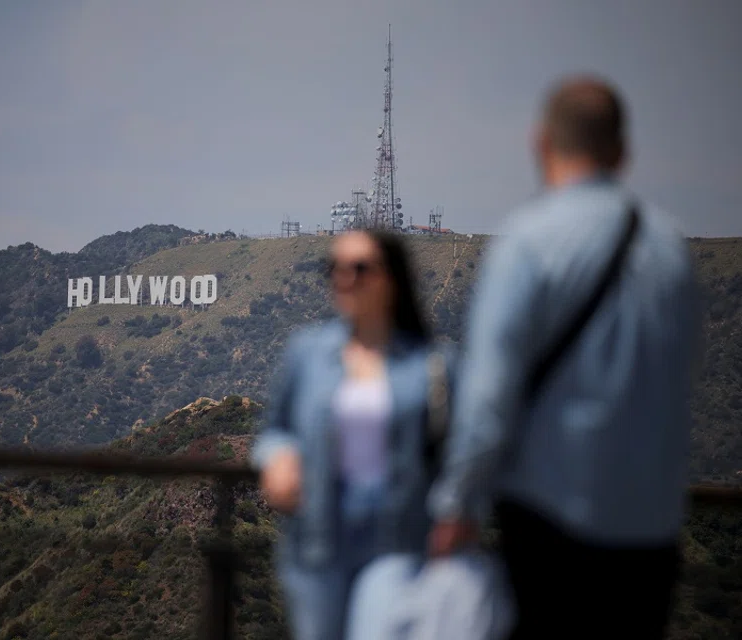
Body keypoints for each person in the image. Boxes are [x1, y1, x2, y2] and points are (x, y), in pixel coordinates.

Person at [426, 75, 701, 638]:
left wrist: (457, 503)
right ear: (623, 151)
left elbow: (490, 396)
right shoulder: (672, 248)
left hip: (550, 524)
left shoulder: (527, 241)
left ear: (541, 144)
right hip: (652, 528)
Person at [251, 229, 455, 640]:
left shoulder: (433, 364)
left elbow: (462, 450)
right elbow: (274, 429)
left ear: (392, 277)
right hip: (318, 544)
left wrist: (457, 511)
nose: (346, 279)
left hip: (398, 541)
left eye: (361, 268)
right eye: (335, 268)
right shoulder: (307, 353)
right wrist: (277, 456)